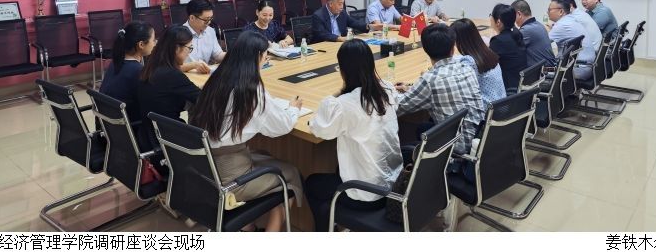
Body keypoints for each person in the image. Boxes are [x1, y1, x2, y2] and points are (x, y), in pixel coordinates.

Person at [189, 31, 303, 232]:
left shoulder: (217, 79)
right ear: (258, 56)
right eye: (266, 55)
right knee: (291, 174)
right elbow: (282, 126)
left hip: (205, 168)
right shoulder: (251, 90)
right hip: (230, 178)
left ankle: (247, 227)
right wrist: (293, 109)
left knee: (266, 156)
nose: (266, 59)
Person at [306, 40, 402, 231]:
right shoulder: (387, 89)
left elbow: (320, 130)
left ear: (342, 70)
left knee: (312, 184)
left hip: (368, 195)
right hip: (395, 185)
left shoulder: (344, 104)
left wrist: (339, 93)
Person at [395, 23, 484, 155]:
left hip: (458, 148)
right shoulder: (467, 68)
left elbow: (397, 107)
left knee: (407, 149)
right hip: (480, 139)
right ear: (453, 48)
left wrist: (388, 90)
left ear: (425, 49)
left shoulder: (430, 79)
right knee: (422, 127)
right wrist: (411, 89)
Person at [138, 25, 201, 153]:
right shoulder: (172, 75)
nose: (189, 52)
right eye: (189, 48)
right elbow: (204, 99)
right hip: (169, 143)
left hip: (148, 137)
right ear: (177, 48)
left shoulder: (151, 67)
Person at [100, 21, 156, 123]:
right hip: (133, 126)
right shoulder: (138, 71)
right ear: (141, 44)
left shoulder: (115, 63)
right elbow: (151, 104)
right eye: (153, 40)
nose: (155, 43)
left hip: (111, 126)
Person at [451, 19, 505, 108]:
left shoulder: (469, 62)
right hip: (501, 105)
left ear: (459, 40)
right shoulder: (487, 52)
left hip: (486, 111)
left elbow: (457, 89)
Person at [547, 0, 594, 84]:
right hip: (586, 66)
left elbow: (543, 43)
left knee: (535, 69)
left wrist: (545, 27)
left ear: (561, 11)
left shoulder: (561, 25)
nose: (547, 12)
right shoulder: (571, 20)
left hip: (577, 68)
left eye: (549, 9)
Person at [488, 4, 528, 95]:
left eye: (491, 16)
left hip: (508, 90)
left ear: (498, 22)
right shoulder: (516, 34)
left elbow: (486, 65)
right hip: (518, 85)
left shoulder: (498, 41)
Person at [182, 0, 225, 74]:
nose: (209, 22)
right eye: (206, 20)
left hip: (204, 76)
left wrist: (232, 54)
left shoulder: (210, 31)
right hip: (186, 77)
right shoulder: (179, 34)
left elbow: (218, 55)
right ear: (192, 18)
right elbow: (171, 67)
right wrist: (193, 65)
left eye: (211, 19)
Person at [511, 0, 556, 67]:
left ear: (519, 14)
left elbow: (509, 48)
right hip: (548, 68)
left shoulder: (526, 30)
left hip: (541, 72)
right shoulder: (539, 25)